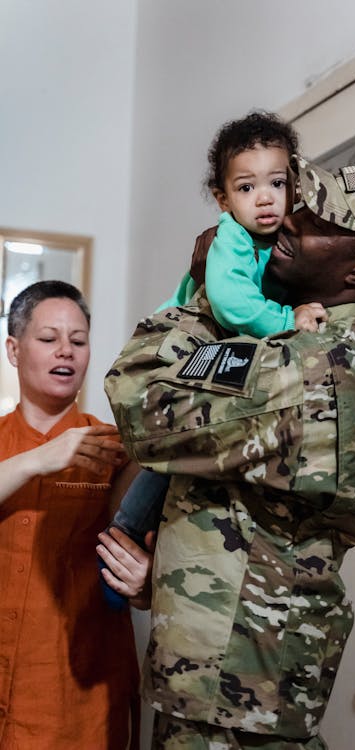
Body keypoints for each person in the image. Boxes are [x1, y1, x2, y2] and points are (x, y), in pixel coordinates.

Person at [105, 156, 355, 750]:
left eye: (314, 217)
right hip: (234, 681)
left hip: (234, 700)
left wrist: (207, 291)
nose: (286, 220)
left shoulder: (309, 368)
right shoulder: (308, 347)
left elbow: (139, 400)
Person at [101, 112, 326, 609]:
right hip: (182, 353)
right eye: (247, 188)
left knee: (185, 462)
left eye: (277, 183)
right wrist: (288, 317)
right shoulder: (232, 238)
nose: (265, 197)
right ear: (224, 200)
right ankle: (123, 532)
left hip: (212, 355)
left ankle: (138, 540)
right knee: (166, 460)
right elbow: (231, 303)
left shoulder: (280, 237)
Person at [0, 280, 151, 750]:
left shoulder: (116, 450)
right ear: (14, 349)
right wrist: (38, 460)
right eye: (48, 339)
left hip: (75, 693)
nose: (65, 351)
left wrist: (146, 580)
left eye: (79, 341)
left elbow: (154, 565)